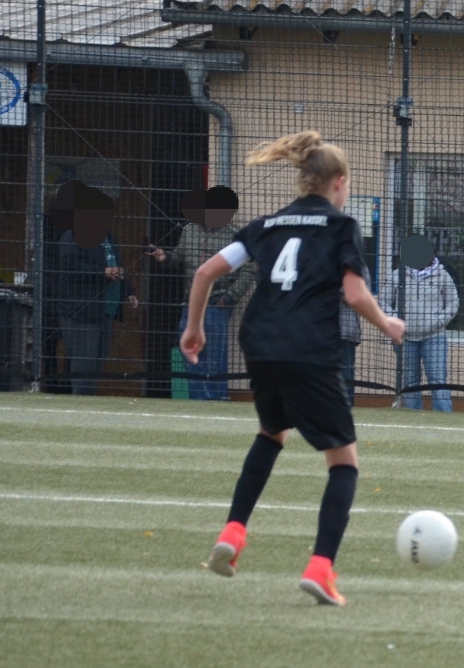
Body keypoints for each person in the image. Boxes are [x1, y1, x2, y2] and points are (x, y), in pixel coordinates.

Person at [182, 131, 406, 607]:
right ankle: (321, 568)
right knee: (343, 463)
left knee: (271, 432)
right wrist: (387, 323)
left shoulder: (266, 225)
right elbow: (354, 294)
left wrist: (194, 328)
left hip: (261, 344)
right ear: (338, 183)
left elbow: (204, 273)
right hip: (309, 349)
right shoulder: (341, 226)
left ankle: (233, 532)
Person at [163, 186, 250, 401]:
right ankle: (199, 399)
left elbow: (248, 270)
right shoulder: (189, 230)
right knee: (190, 353)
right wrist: (164, 257)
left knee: (213, 356)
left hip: (216, 301)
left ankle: (216, 398)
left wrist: (229, 296)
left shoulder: (235, 235)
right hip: (190, 302)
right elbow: (178, 258)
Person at [45, 182, 124, 396]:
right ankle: (79, 403)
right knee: (83, 365)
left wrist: (127, 290)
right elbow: (70, 266)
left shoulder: (105, 236)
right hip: (81, 311)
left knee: (96, 364)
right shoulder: (72, 235)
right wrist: (102, 272)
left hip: (103, 311)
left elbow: (114, 262)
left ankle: (87, 402)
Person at [392, 252, 460, 411]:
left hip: (434, 336)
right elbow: (384, 302)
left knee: (438, 379)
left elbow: (453, 303)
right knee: (409, 380)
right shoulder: (397, 275)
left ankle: (444, 417)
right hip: (405, 337)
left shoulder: (443, 276)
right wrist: (398, 321)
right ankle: (412, 416)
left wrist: (437, 322)